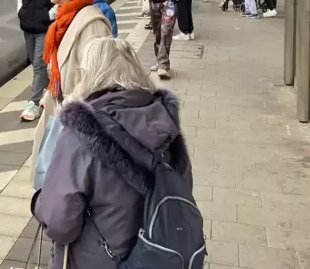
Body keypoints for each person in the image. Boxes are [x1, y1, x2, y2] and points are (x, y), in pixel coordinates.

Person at [32, 37, 192, 269]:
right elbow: (183, 187)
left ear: (90, 75)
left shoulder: (81, 132)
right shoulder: (166, 124)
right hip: (160, 254)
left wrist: (39, 201)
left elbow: (60, 223)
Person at [28, 0, 112, 184]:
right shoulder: (64, 17)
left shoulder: (92, 23)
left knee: (63, 182)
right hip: (60, 105)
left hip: (75, 115)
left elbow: (96, 78)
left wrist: (69, 106)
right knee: (50, 177)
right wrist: (50, 94)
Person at [17, 0, 58, 122]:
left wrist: (48, 16)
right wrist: (21, 11)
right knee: (36, 63)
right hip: (28, 25)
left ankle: (33, 104)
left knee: (40, 64)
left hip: (44, 26)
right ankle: (49, 91)